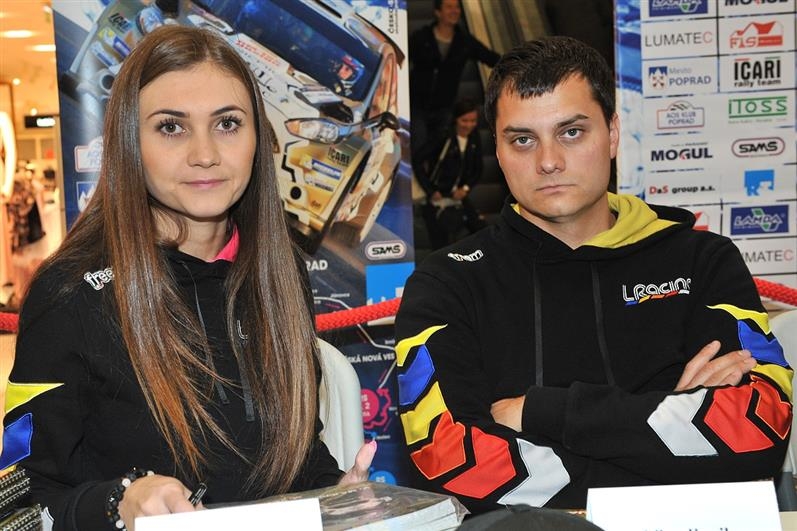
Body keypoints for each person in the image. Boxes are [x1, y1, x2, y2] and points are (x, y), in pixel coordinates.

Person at [394, 36, 792, 514]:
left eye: (571, 132)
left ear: (613, 133)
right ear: (496, 149)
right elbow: (449, 458)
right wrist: (670, 422)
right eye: (523, 140)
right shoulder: (446, 282)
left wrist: (538, 412)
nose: (548, 161)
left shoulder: (703, 260)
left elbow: (759, 429)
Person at [1, 26, 374, 531]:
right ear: (130, 141)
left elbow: (295, 459)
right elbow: (20, 502)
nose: (205, 153)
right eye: (171, 127)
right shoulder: (70, 294)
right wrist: (119, 503)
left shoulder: (278, 273)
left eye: (228, 123)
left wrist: (338, 494)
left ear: (257, 138)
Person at [408, 0, 499, 151]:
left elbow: (491, 58)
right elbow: (401, 59)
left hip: (444, 107)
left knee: (439, 150)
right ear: (438, 12)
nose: (455, 11)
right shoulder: (422, 37)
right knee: (418, 147)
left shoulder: (464, 41)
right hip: (417, 105)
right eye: (449, 7)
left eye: (457, 7)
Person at [414, 98, 487, 249]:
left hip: (458, 194)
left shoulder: (474, 137)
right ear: (456, 119)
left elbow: (478, 168)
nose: (469, 125)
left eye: (473, 121)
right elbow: (417, 160)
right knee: (440, 241)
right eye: (464, 120)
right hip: (437, 195)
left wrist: (465, 188)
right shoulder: (443, 136)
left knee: (481, 230)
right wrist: (430, 190)